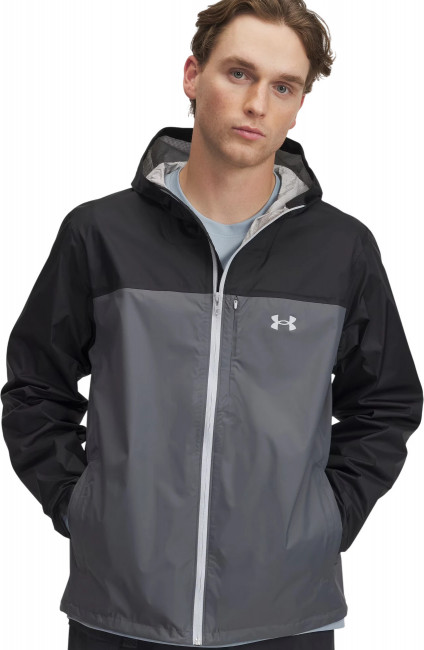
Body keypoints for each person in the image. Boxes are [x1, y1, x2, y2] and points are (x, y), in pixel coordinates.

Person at [1, 0, 422, 649]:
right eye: (238, 73)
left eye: (283, 87)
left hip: (287, 615)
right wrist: (81, 506)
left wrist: (329, 517)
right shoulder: (99, 234)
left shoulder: (342, 250)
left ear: (298, 106)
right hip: (120, 611)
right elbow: (35, 385)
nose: (257, 104)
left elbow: (387, 401)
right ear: (193, 75)